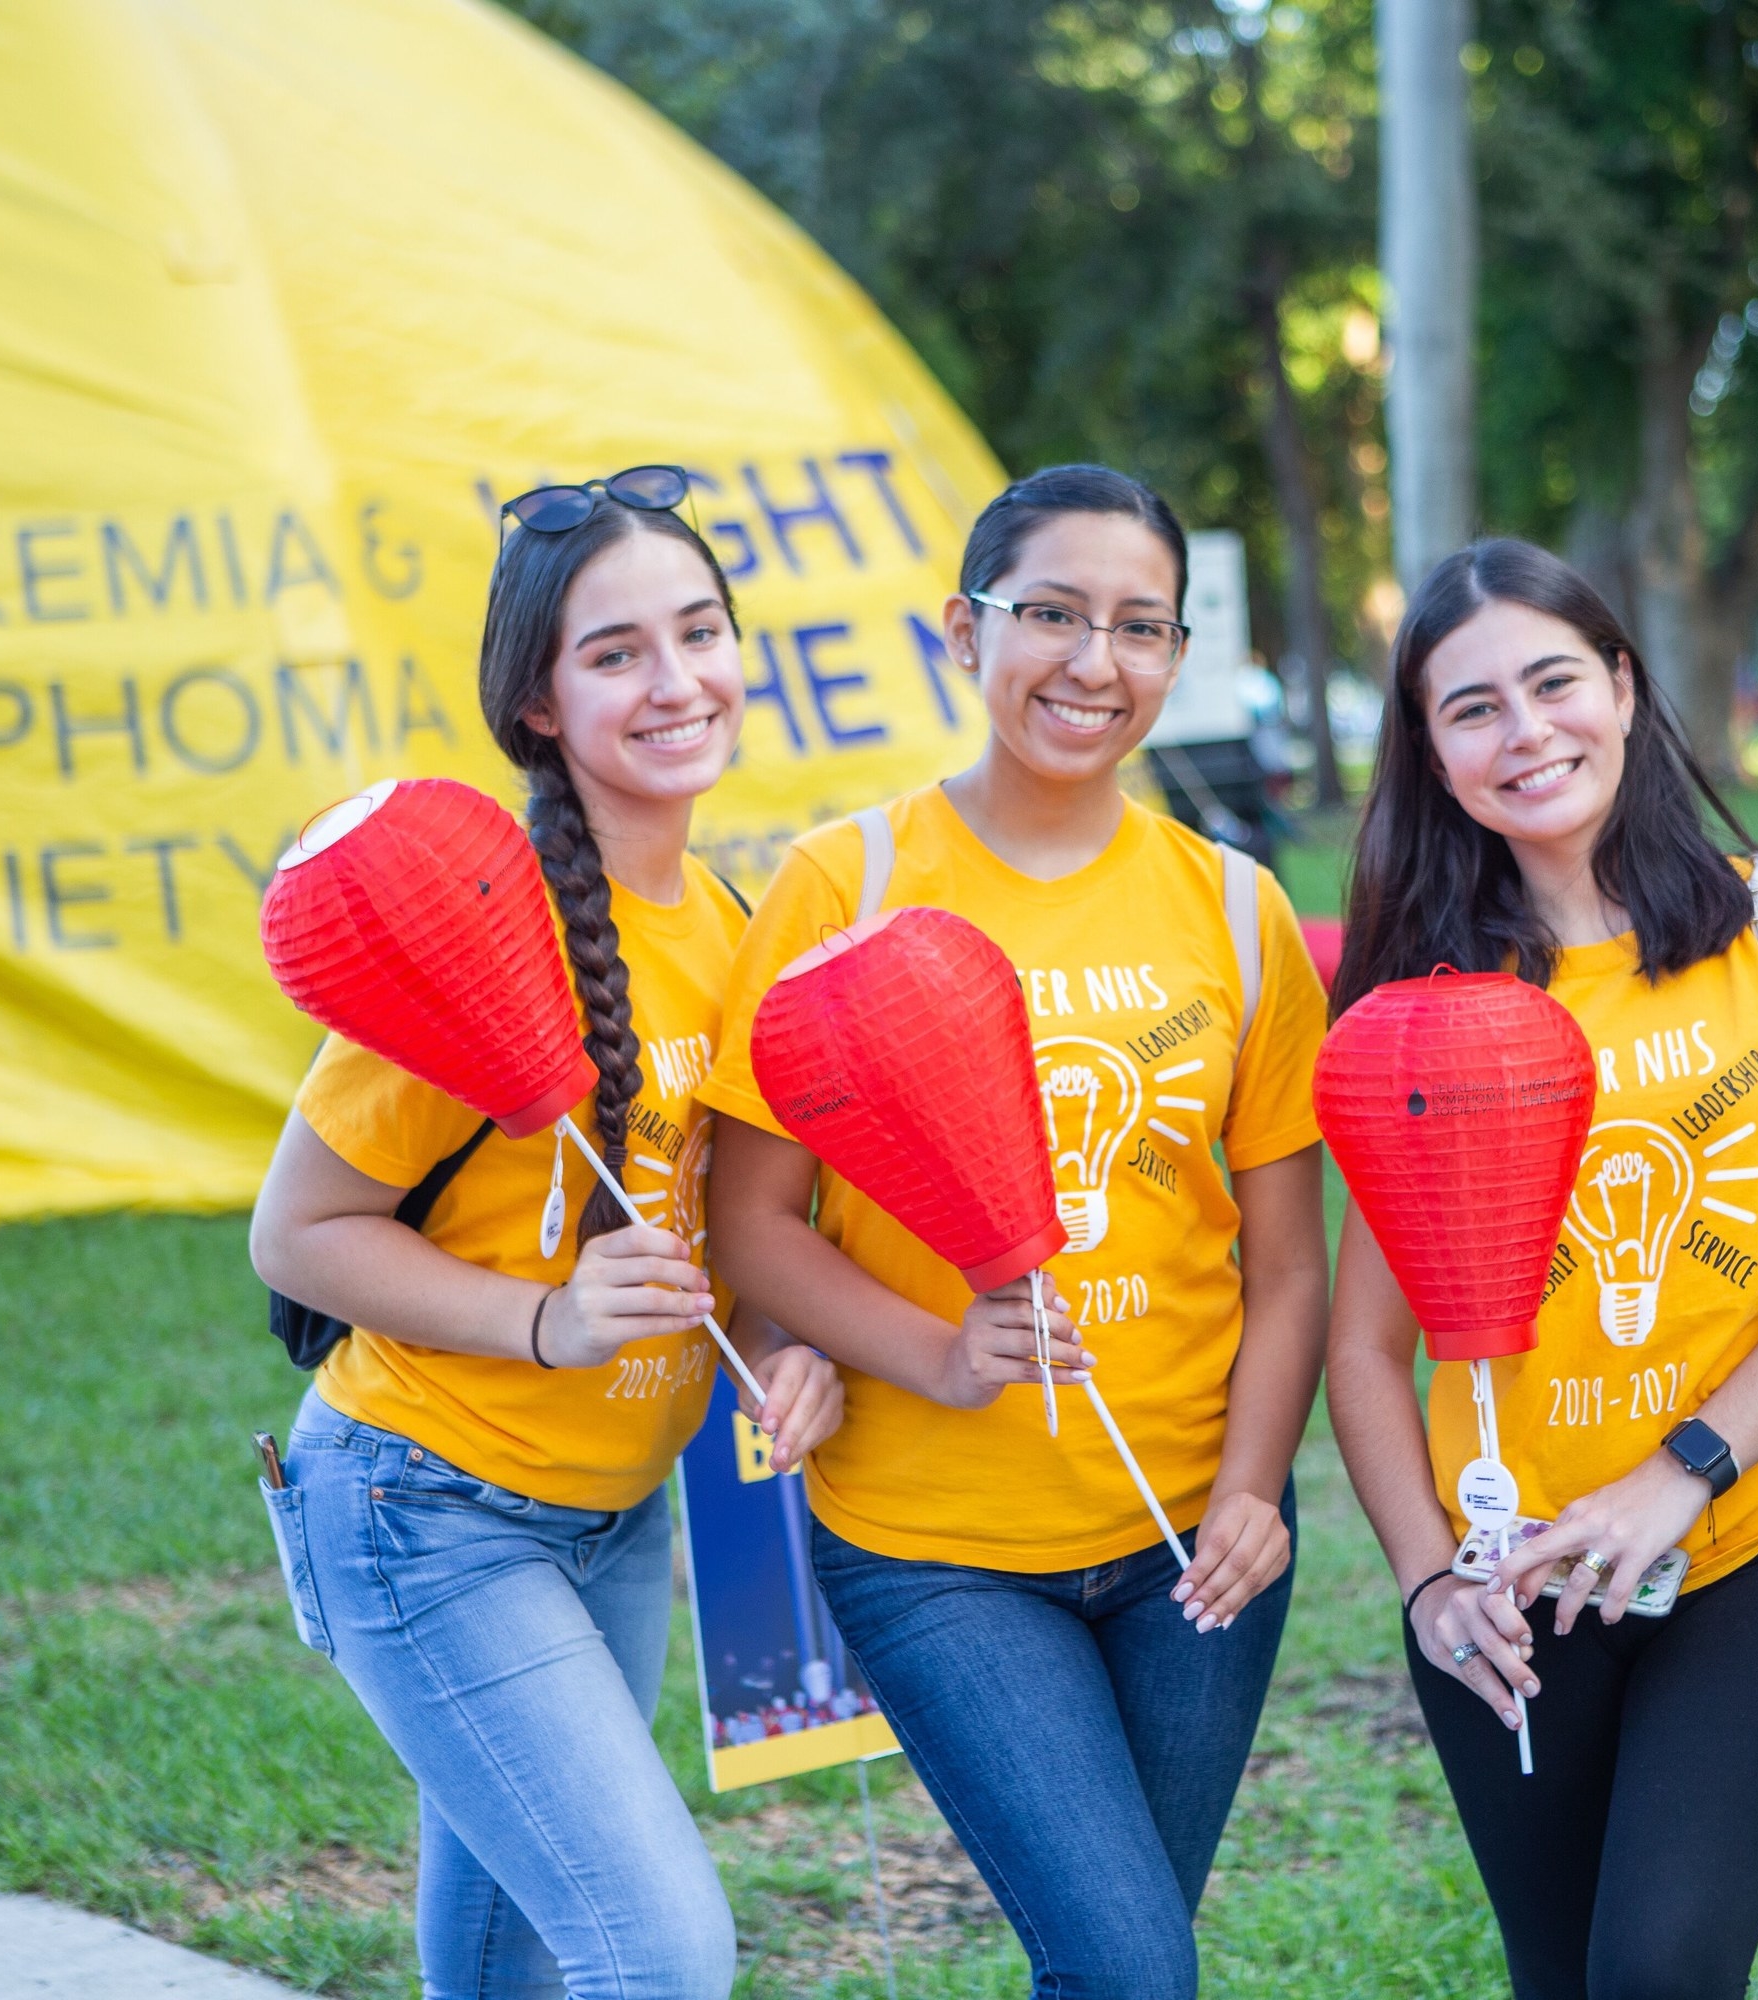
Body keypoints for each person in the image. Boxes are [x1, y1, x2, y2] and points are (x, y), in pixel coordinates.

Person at [699, 465, 1331, 1999]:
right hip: (935, 1552)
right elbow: (750, 1229)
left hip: (1194, 1550)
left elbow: (1290, 1261)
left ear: (1180, 659)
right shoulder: (840, 886)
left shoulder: (1239, 911)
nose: (1092, 663)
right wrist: (936, 1347)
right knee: (1130, 1968)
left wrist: (1255, 1489)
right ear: (961, 633)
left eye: (1138, 627)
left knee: (1120, 1966)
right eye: (1049, 613)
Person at [250, 469, 842, 2000]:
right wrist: (548, 1321)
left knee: (511, 1956)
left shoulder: (728, 925)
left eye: (699, 631)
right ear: (536, 706)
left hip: (615, 1516)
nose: (676, 681)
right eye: (615, 653)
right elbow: (297, 1232)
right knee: (657, 1950)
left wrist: (786, 1357)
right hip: (422, 1505)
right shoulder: (472, 929)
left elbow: (731, 1233)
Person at [1324, 539, 1758, 2000]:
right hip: (1511, 1580)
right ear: (1432, 753)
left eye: (1552, 683)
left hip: (1752, 1540)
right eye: (1472, 709)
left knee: (1661, 1966)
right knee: (1562, 1976)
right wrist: (1427, 1586)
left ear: (1623, 684)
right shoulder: (1418, 1011)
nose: (1525, 732)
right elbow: (1362, 1347)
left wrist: (1683, 1470)